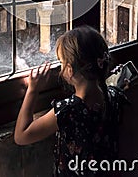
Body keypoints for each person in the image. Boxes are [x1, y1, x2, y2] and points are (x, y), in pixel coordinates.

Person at [14, 25, 128, 176]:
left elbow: (22, 136)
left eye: (61, 62)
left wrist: (33, 89)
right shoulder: (114, 97)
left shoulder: (69, 110)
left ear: (69, 70)